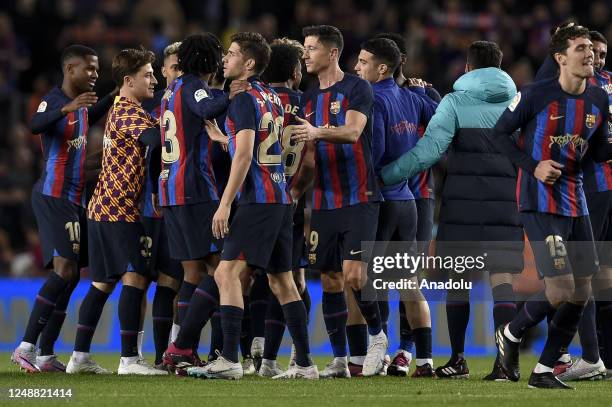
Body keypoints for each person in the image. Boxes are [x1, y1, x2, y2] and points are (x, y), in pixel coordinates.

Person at [381, 40, 524, 380]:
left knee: (458, 282)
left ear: (467, 68)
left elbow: (427, 152)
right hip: (506, 203)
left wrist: (385, 176)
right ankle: (506, 364)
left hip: (460, 206)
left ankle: (458, 359)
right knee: (502, 280)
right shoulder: (518, 102)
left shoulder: (455, 102)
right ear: (501, 67)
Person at [186, 32, 317, 380]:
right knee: (283, 283)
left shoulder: (242, 99)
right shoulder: (269, 96)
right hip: (280, 199)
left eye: (231, 54)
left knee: (227, 273)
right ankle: (305, 364)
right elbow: (258, 150)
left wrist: (225, 204)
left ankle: (229, 358)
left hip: (257, 201)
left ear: (249, 64)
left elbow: (245, 156)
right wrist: (225, 139)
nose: (225, 60)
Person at [492, 24, 612, 389]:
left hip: (578, 203)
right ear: (561, 58)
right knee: (560, 290)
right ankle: (512, 332)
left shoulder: (598, 100)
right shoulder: (534, 95)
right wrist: (534, 166)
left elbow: (596, 154)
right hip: (540, 203)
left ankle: (543, 370)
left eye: (591, 48)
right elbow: (499, 135)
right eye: (580, 48)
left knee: (583, 290)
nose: (589, 54)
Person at [291, 25, 387, 378]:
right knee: (330, 278)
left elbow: (353, 131)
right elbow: (310, 156)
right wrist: (295, 190)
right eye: (304, 48)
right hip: (324, 200)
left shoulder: (356, 87)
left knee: (354, 276)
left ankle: (378, 338)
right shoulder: (308, 98)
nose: (305, 54)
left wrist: (316, 132)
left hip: (359, 196)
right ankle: (341, 359)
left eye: (312, 48)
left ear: (332, 53)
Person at [12, 44, 114, 373]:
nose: (95, 74)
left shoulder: (83, 105)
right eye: (90, 68)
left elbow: (92, 114)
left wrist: (116, 94)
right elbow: (36, 124)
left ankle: (45, 354)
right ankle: (25, 347)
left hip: (73, 200)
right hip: (52, 196)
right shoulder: (56, 100)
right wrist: (67, 107)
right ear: (70, 69)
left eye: (97, 69)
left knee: (70, 278)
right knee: (64, 272)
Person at [65, 47, 166, 375]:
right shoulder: (128, 112)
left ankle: (79, 357)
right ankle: (129, 360)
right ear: (128, 80)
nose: (154, 78)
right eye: (148, 75)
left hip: (105, 208)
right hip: (117, 210)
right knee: (135, 278)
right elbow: (156, 138)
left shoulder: (125, 108)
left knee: (102, 284)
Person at [159, 33, 246, 372]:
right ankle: (192, 349)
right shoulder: (192, 85)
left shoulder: (170, 89)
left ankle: (182, 348)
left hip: (171, 192)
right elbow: (206, 106)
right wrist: (227, 92)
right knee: (221, 267)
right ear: (208, 61)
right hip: (193, 190)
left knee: (193, 271)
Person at [354, 37, 438, 377]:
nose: (356, 68)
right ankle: (423, 359)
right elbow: (440, 126)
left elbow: (373, 153)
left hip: (385, 200)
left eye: (362, 61)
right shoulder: (414, 98)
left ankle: (381, 346)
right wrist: (428, 95)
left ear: (384, 66)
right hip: (410, 201)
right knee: (408, 281)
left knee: (363, 277)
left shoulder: (374, 100)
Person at [534, 25, 611, 381]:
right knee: (597, 276)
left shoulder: (589, 88)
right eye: (590, 51)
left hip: (589, 190)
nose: (594, 58)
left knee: (581, 276)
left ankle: (586, 354)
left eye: (598, 54)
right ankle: (596, 356)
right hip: (594, 189)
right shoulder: (601, 85)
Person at [255, 37, 312, 377]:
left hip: (257, 199)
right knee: (287, 281)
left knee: (246, 277)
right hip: (289, 203)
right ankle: (278, 359)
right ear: (294, 71)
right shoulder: (307, 104)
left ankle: (256, 355)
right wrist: (296, 194)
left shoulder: (258, 101)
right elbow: (310, 164)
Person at [140, 41, 184, 368]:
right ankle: (154, 355)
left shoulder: (175, 104)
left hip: (174, 204)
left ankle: (168, 354)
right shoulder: (157, 107)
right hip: (152, 207)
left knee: (175, 280)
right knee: (150, 280)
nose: (167, 74)